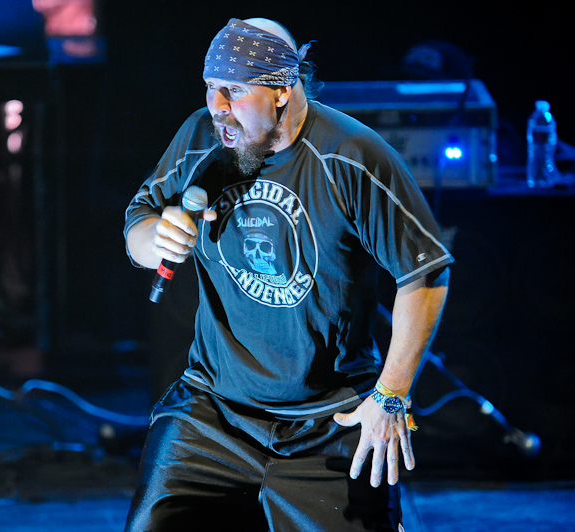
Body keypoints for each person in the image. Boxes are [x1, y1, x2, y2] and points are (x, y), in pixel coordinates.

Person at [123, 17, 452, 532]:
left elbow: (425, 273)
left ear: (281, 90)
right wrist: (154, 239)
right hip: (214, 411)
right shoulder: (201, 137)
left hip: (329, 418)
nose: (217, 107)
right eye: (210, 88)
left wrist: (391, 396)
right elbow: (140, 220)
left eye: (233, 90)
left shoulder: (351, 156)